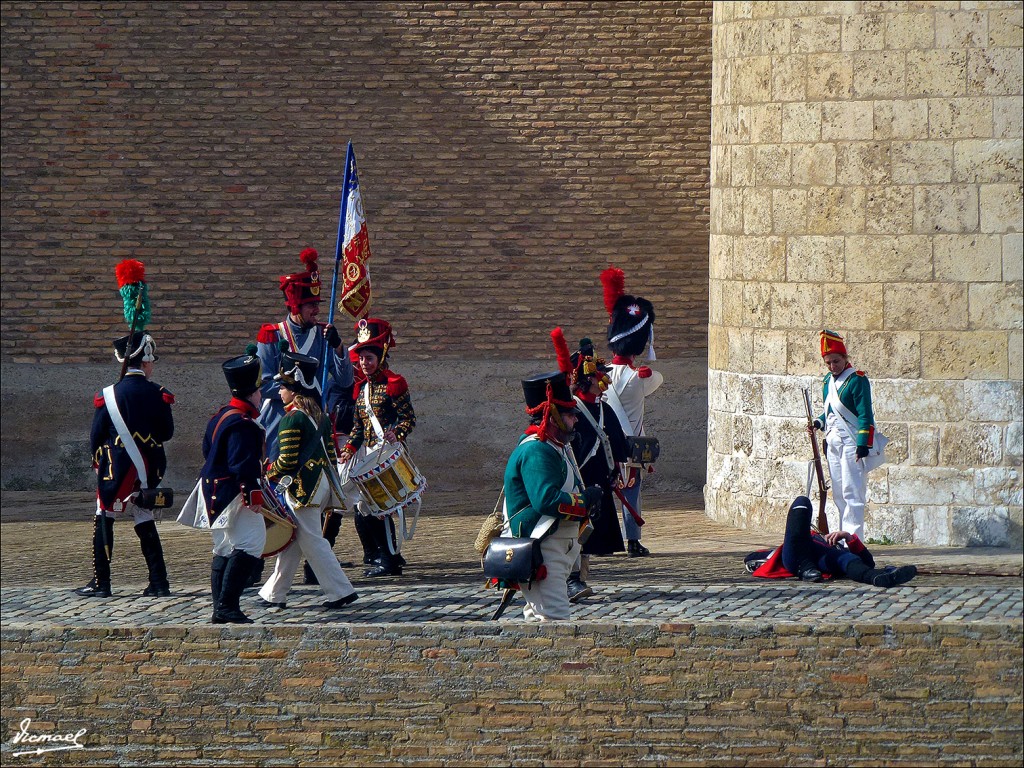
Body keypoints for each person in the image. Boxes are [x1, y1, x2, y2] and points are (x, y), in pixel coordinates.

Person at [254, 247, 355, 585]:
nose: (316, 309)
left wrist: (339, 348)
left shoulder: (324, 335)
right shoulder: (272, 336)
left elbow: (343, 381)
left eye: (317, 304)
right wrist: (302, 385)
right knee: (274, 494)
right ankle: (256, 558)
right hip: (279, 424)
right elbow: (265, 383)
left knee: (312, 496)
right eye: (311, 305)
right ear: (295, 306)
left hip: (314, 426)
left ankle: (314, 564)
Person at [501, 355, 602, 621]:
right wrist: (584, 503)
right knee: (556, 626)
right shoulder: (537, 450)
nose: (576, 420)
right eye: (570, 415)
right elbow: (546, 500)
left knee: (539, 626)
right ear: (552, 415)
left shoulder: (554, 447)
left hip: (556, 551)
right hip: (543, 551)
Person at [75, 331, 175, 598]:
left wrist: (99, 462)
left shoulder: (108, 395)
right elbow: (166, 433)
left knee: (104, 515)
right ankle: (159, 582)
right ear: (144, 362)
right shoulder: (159, 394)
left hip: (115, 469)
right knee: (144, 516)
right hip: (148, 469)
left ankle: (102, 582)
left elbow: (96, 437)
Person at [257, 351, 359, 611]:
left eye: (283, 386)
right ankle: (274, 593)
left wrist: (269, 474)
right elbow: (332, 454)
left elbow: (287, 461)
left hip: (303, 488)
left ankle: (341, 591)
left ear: (295, 387)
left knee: (313, 540)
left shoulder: (292, 417)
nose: (280, 391)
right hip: (320, 484)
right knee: (294, 541)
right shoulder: (320, 415)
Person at [193, 347, 267, 624]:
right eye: (259, 391)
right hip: (235, 492)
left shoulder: (220, 416)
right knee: (251, 543)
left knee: (224, 547)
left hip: (215, 489)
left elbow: (206, 450)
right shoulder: (242, 424)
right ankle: (227, 606)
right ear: (252, 392)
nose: (261, 396)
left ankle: (220, 609)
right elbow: (242, 465)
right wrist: (253, 494)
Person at [338, 318, 417, 578]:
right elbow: (360, 428)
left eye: (369, 358)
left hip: (386, 452)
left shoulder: (394, 383)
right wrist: (349, 447)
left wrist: (398, 432)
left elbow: (408, 418)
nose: (364, 363)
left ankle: (388, 559)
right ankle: (379, 553)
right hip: (366, 455)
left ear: (381, 355)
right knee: (364, 507)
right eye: (361, 359)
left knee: (377, 508)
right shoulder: (361, 390)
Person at [600, 267, 664, 557]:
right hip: (628, 446)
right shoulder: (640, 377)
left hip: (604, 447)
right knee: (631, 492)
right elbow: (657, 381)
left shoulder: (600, 374)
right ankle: (633, 540)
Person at [563, 334, 629, 602]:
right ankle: (571, 580)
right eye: (599, 375)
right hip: (576, 483)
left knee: (588, 534)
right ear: (586, 378)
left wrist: (619, 470)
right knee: (573, 533)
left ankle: (579, 578)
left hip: (598, 482)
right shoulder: (572, 412)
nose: (605, 380)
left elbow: (616, 442)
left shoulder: (604, 408)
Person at [746, 496, 917, 588]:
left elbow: (868, 562)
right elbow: (751, 558)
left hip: (825, 558)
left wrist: (848, 537)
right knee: (801, 503)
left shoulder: (833, 546)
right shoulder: (793, 543)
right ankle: (805, 568)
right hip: (797, 558)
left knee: (846, 559)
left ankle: (877, 579)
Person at [809, 330, 878, 539]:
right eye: (828, 363)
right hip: (833, 442)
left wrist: (862, 443)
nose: (832, 367)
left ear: (845, 358)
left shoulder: (857, 380)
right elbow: (831, 411)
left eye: (836, 361)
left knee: (852, 493)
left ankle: (854, 539)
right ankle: (841, 536)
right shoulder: (827, 381)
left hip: (851, 442)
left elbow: (865, 414)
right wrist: (819, 421)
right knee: (839, 494)